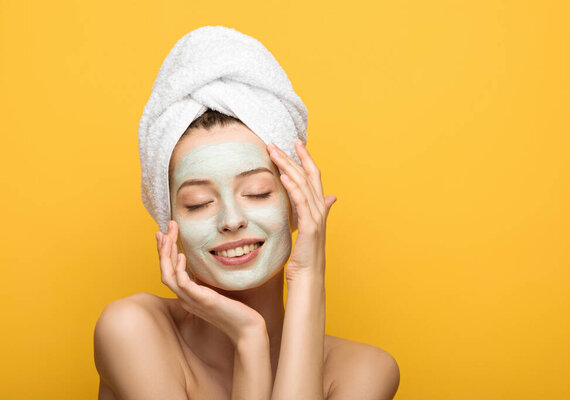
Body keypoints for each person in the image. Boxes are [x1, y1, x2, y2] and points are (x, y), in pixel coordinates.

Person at [93, 109, 400, 399]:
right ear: (170, 222)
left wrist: (308, 276)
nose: (231, 220)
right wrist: (249, 340)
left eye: (258, 192)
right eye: (198, 202)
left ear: (297, 206)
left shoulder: (363, 370)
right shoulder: (132, 329)